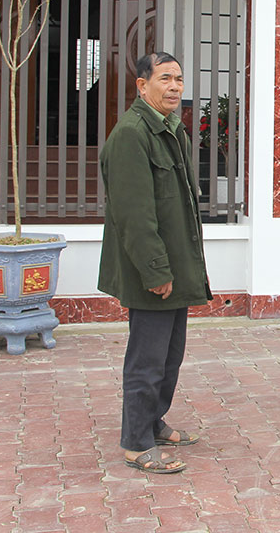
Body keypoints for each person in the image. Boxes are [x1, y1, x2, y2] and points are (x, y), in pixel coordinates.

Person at [98, 52, 212, 475]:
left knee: (169, 356)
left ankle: (153, 422)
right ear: (142, 86)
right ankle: (136, 442)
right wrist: (155, 270)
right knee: (147, 359)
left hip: (176, 265)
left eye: (178, 78)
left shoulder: (172, 129)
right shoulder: (132, 135)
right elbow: (134, 215)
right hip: (154, 270)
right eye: (165, 78)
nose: (174, 86)